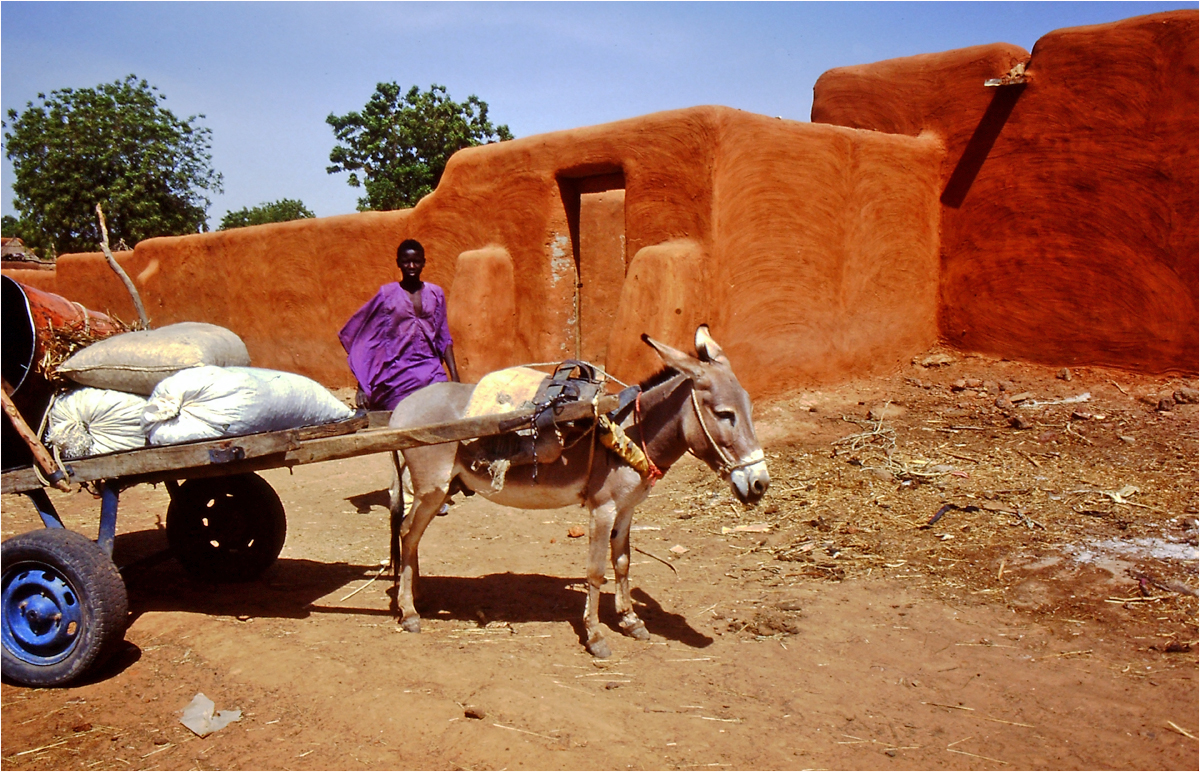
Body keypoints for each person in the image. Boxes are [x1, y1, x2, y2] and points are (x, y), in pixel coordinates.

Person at [339, 239, 459, 411]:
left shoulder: (436, 294)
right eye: (406, 261)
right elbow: (370, 339)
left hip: (431, 369)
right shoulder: (387, 295)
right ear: (398, 263)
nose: (411, 266)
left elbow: (443, 337)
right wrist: (362, 386)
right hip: (396, 372)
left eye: (416, 261)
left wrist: (455, 377)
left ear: (424, 263)